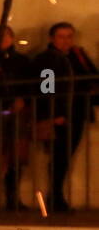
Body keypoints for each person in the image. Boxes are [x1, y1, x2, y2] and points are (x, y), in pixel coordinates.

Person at [32, 22, 99, 212]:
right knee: (59, 155)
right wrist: (53, 115)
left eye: (69, 36)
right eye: (62, 36)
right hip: (61, 114)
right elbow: (46, 88)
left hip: (77, 111)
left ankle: (56, 194)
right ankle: (55, 196)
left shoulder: (78, 55)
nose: (66, 41)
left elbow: (92, 76)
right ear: (52, 38)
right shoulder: (46, 59)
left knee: (66, 155)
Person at [0, 25, 33, 210]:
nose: (3, 39)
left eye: (6, 36)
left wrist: (23, 100)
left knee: (15, 155)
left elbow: (30, 85)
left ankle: (13, 197)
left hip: (16, 113)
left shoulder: (22, 60)